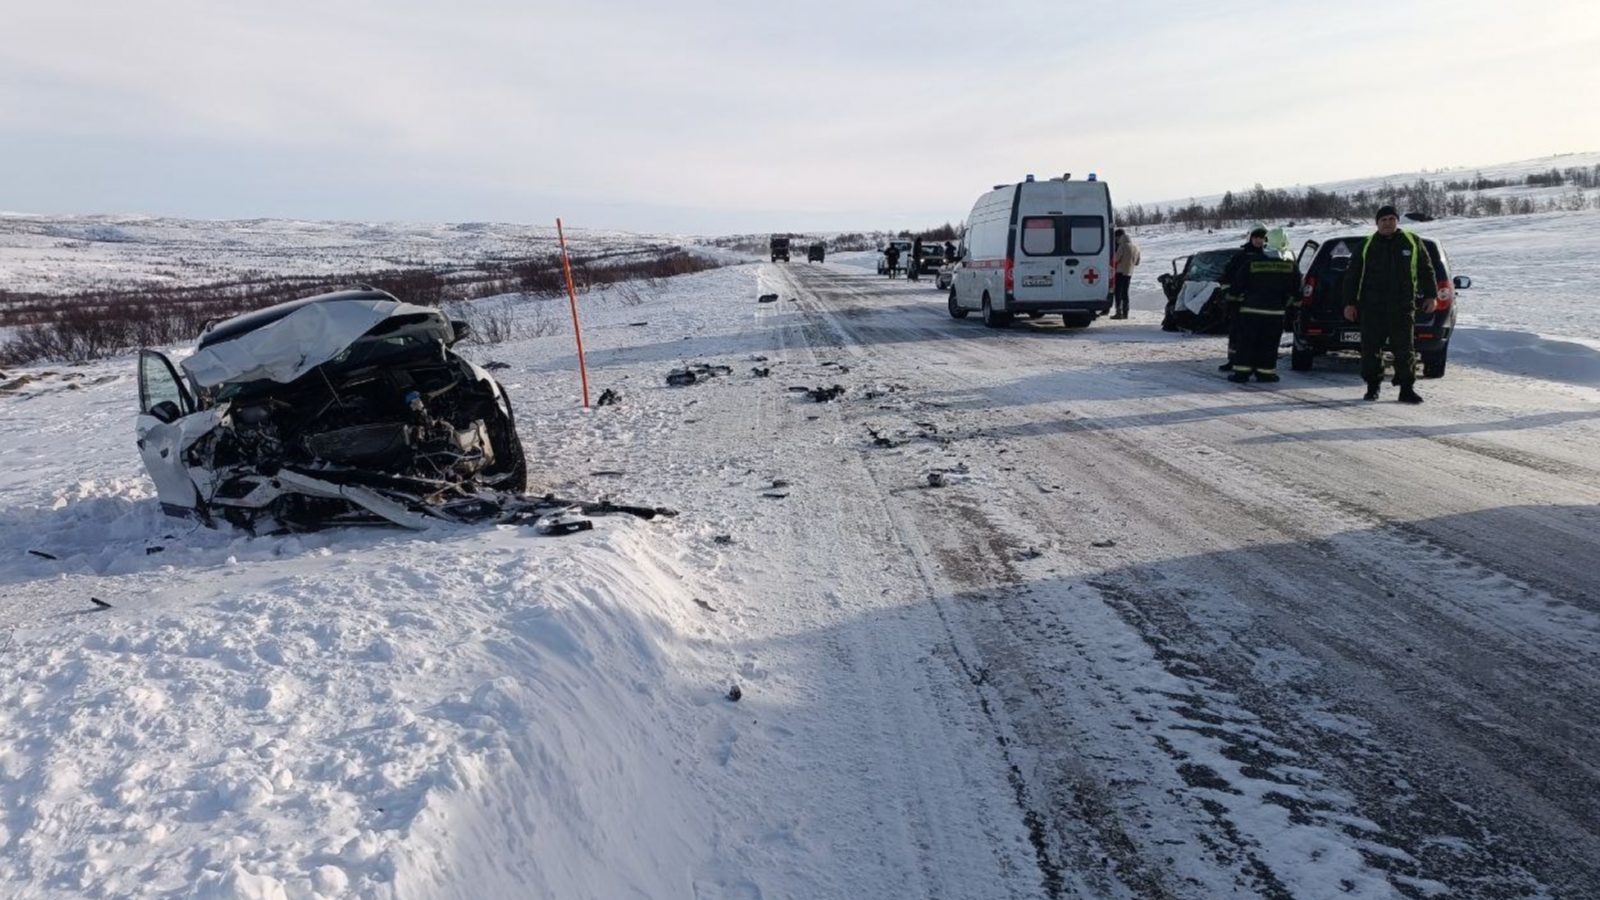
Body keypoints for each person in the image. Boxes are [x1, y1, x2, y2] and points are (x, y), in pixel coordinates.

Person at [1343, 205, 1437, 403]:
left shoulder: (1412, 242)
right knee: (1370, 349)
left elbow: (1426, 270)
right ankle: (1372, 386)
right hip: (1372, 308)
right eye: (1383, 220)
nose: (1387, 223)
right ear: (1377, 223)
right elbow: (1352, 276)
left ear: (1397, 221)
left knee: (1404, 349)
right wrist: (1349, 303)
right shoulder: (1366, 245)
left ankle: (1406, 389)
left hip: (1402, 307)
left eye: (1391, 219)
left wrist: (1431, 295)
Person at [1217, 226, 1298, 383]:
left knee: (1246, 342)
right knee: (1269, 344)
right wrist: (1292, 307)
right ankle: (1266, 374)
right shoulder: (1291, 266)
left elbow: (1236, 287)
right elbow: (1297, 292)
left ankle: (1241, 374)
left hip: (1250, 311)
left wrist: (1231, 300)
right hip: (1275, 314)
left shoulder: (1251, 263)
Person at [1111, 228, 1140, 319]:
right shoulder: (1135, 247)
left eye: (1116, 237)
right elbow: (1137, 262)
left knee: (1118, 292)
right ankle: (1126, 312)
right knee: (1125, 292)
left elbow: (1116, 259)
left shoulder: (1122, 246)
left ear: (1119, 237)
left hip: (1119, 272)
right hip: (1129, 272)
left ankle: (1118, 312)